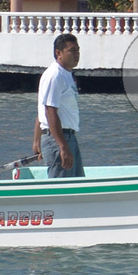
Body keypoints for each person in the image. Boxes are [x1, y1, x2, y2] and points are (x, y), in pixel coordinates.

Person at [33, 33, 84, 178]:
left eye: (78, 50)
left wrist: (37, 141)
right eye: (72, 51)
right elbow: (49, 112)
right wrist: (62, 146)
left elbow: (42, 111)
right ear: (58, 53)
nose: (77, 55)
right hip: (59, 139)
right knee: (62, 188)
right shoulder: (55, 75)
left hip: (68, 137)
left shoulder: (65, 74)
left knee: (76, 186)